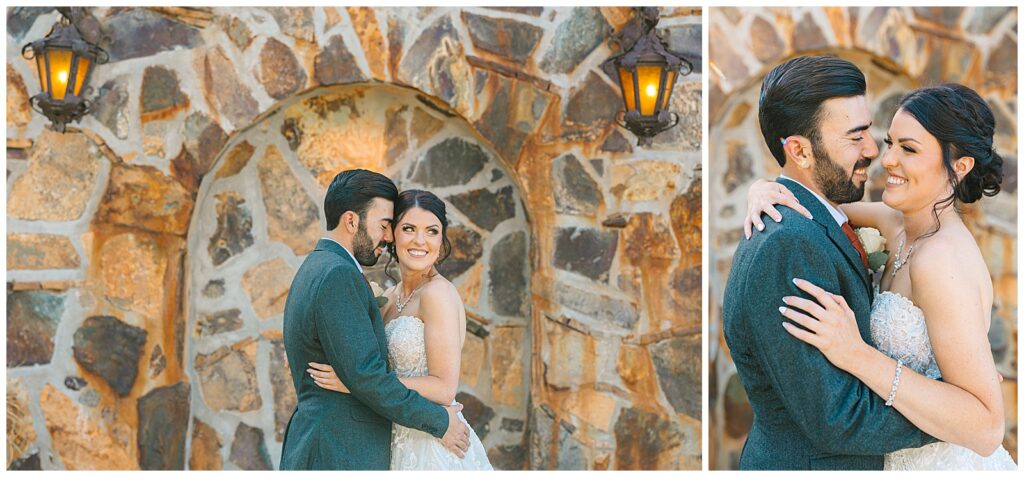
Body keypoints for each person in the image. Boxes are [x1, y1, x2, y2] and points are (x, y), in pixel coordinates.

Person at [743, 83, 1015, 470]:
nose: (887, 159)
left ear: (959, 165)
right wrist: (762, 190)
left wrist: (856, 354)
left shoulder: (942, 261)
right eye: (891, 143)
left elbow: (987, 425)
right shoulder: (895, 224)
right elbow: (815, 203)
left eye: (909, 149)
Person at [721, 55, 938, 470]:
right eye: (855, 137)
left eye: (869, 132)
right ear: (800, 150)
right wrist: (952, 415)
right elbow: (838, 418)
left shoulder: (819, 220)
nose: (874, 151)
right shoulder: (788, 247)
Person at [279, 171, 471, 470]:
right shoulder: (342, 276)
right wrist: (438, 422)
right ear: (352, 221)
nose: (386, 236)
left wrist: (353, 383)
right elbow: (365, 375)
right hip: (340, 448)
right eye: (392, 226)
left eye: (432, 231)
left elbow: (365, 375)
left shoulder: (320, 266)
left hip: (387, 445)